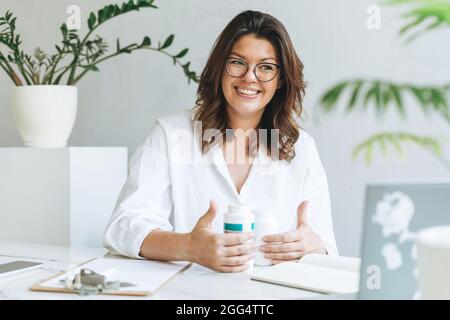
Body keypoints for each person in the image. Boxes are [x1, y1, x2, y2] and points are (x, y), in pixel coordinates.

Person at [103, 10, 338, 273]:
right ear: (219, 67)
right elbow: (123, 227)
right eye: (238, 62)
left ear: (281, 80)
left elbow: (327, 247)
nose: (250, 77)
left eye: (266, 67)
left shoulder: (301, 148)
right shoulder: (171, 134)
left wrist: (312, 245)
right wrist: (188, 247)